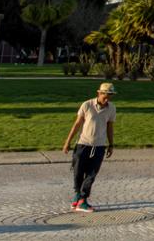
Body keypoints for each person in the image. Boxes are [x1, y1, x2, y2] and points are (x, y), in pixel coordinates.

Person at [61, 82, 116, 213]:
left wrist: (111, 144)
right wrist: (67, 142)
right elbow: (77, 124)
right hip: (83, 144)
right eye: (105, 94)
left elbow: (110, 127)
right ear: (99, 93)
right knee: (78, 172)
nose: (107, 97)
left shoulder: (112, 108)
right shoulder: (87, 105)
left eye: (110, 95)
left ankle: (83, 200)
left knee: (91, 174)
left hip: (99, 146)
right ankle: (78, 195)